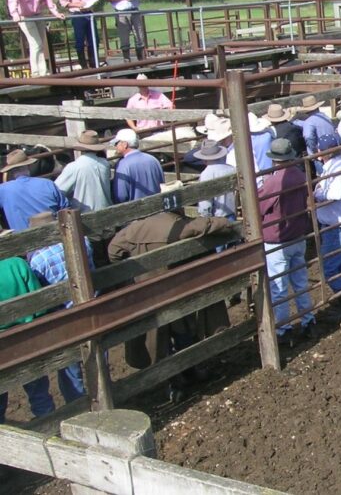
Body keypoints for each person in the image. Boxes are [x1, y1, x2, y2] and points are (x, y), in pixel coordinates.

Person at [108, 210, 234, 374]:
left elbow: (113, 252)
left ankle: (168, 379)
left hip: (145, 291)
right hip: (174, 290)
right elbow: (219, 225)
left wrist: (133, 271)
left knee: (156, 336)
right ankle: (187, 371)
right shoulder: (181, 226)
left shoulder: (135, 228)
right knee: (182, 329)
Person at [25, 212, 89, 410]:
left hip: (62, 319)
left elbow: (40, 298)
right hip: (88, 309)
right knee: (97, 356)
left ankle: (78, 408)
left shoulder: (38, 260)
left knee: (71, 369)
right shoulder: (83, 241)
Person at [258, 139, 316, 345]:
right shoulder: (299, 175)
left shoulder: (274, 182)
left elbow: (260, 206)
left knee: (279, 287)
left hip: (277, 240)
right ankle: (309, 321)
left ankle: (284, 330)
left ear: (274, 159)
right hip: (298, 235)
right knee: (300, 281)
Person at [0, 257, 55, 424]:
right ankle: (51, 431)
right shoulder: (17, 264)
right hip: (27, 340)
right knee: (40, 395)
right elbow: (40, 305)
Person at [313, 134, 341, 314]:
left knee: (329, 269)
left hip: (337, 226)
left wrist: (317, 195)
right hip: (337, 223)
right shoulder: (336, 166)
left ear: (322, 152)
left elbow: (335, 193)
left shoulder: (339, 168)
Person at [7, 0, 65, 77]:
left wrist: (55, 12)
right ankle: (37, 72)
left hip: (38, 14)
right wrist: (15, 14)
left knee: (40, 43)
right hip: (24, 16)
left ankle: (43, 72)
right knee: (36, 43)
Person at [0, 149, 70, 230]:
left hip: (22, 239)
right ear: (28, 166)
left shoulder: (3, 190)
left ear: (10, 171)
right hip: (55, 234)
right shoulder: (47, 183)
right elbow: (66, 209)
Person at [54, 129, 112, 212]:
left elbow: (57, 191)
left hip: (84, 213)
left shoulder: (73, 167)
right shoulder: (105, 163)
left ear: (80, 148)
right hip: (106, 208)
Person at [58, 0, 99, 69]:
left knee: (94, 39)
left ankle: (94, 62)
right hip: (77, 14)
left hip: (89, 13)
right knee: (80, 40)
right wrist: (77, 4)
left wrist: (93, 1)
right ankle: (83, 65)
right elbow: (63, 2)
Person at [110, 128, 164, 203]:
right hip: (156, 205)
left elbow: (121, 196)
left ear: (125, 144)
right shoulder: (153, 159)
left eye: (117, 143)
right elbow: (161, 184)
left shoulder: (122, 165)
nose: (115, 146)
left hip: (136, 210)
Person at [195, 140, 236, 220]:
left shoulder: (206, 174)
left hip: (217, 217)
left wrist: (205, 217)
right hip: (231, 213)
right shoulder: (231, 169)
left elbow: (205, 201)